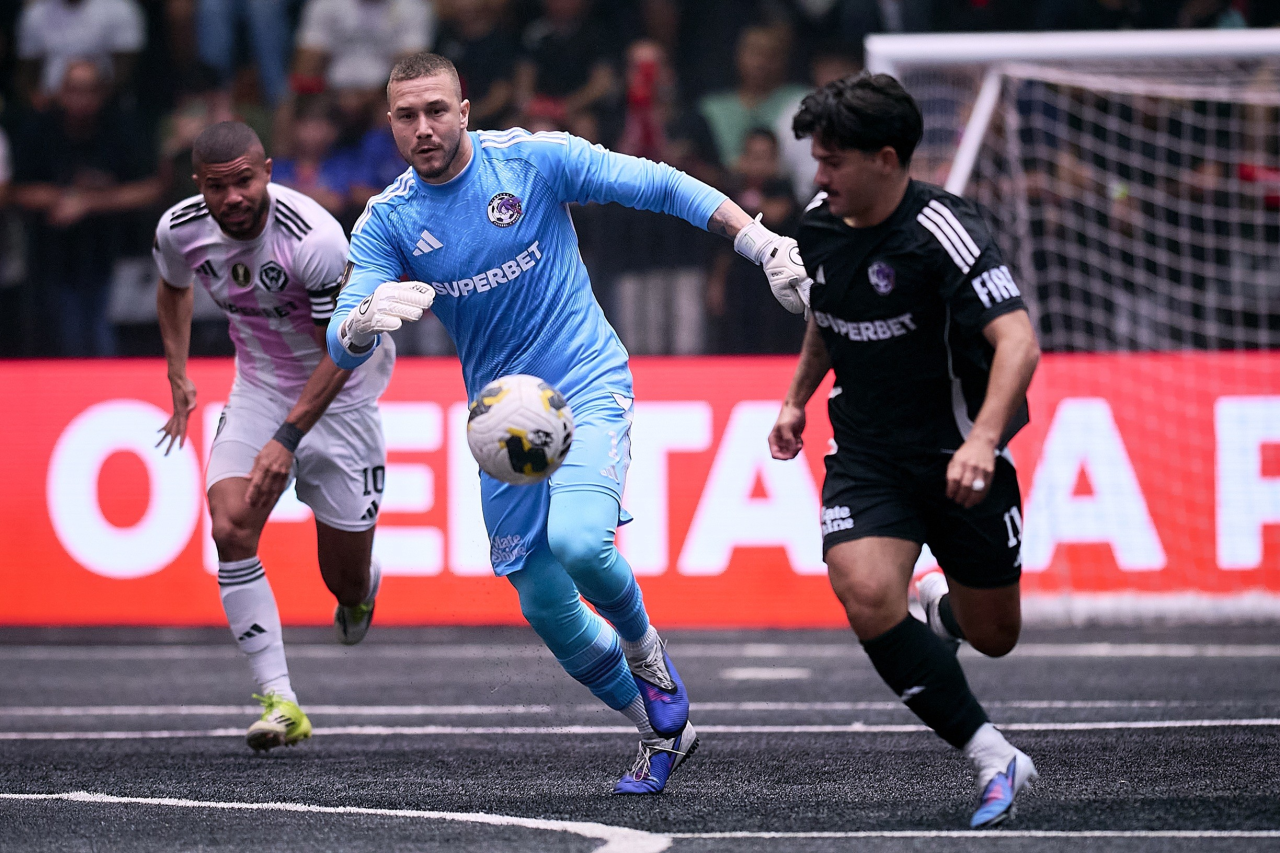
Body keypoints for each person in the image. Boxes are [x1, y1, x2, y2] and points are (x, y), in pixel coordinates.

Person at [328, 52, 809, 794]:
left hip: (585, 383)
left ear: (464, 109)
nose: (422, 128)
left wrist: (758, 240)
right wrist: (359, 324)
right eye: (405, 115)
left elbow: (656, 182)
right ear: (389, 122)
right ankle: (662, 729)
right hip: (503, 423)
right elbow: (341, 329)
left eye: (435, 111)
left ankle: (648, 655)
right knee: (545, 604)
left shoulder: (532, 162)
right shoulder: (389, 220)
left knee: (582, 540)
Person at [768, 74, 1042, 828]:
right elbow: (827, 314)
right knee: (860, 588)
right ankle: (994, 755)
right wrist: (797, 396)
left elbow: (1018, 341)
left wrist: (983, 440)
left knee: (995, 635)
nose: (818, 177)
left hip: (960, 455)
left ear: (887, 158)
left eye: (833, 162)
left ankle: (942, 609)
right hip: (866, 451)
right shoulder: (820, 224)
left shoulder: (943, 232)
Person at [154, 121, 395, 752]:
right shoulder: (179, 228)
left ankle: (361, 591)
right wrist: (178, 372)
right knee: (230, 525)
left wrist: (288, 438)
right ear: (198, 187)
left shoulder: (312, 238)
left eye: (243, 181)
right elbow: (173, 286)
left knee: (343, 582)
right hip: (259, 387)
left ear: (267, 171)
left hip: (341, 394)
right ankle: (280, 700)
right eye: (217, 187)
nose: (232, 197)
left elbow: (337, 355)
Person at [9, 59, 161, 357]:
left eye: (89, 90)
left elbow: (151, 188)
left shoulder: (122, 128)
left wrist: (89, 203)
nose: (81, 99)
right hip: (53, 259)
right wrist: (61, 199)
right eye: (74, 90)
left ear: (102, 93)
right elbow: (18, 190)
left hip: (118, 256)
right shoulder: (38, 130)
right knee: (68, 344)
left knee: (109, 345)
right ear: (60, 92)